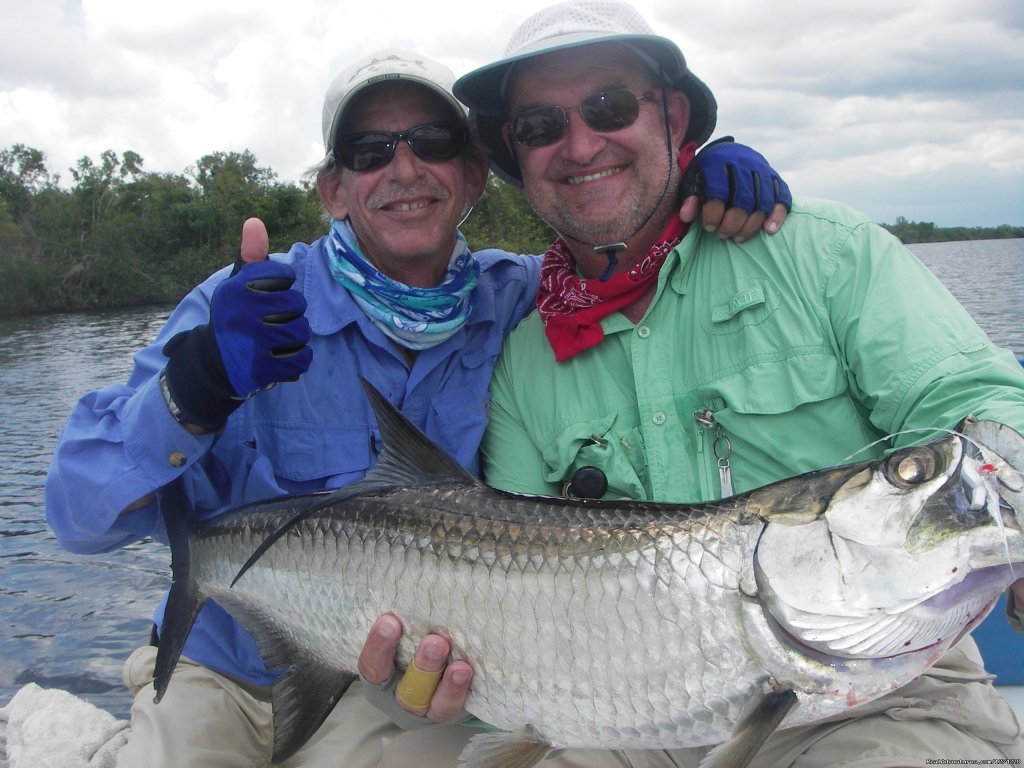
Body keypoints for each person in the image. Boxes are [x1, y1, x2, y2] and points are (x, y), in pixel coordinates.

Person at [44, 44, 791, 766]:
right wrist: (198, 383)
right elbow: (77, 518)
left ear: (471, 178)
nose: (404, 168)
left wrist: (694, 189)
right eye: (370, 151)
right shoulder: (246, 306)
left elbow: (623, 264)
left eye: (432, 143)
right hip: (221, 667)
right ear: (333, 190)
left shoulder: (527, 298)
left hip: (399, 682)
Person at [451, 1, 1024, 766]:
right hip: (616, 709)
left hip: (884, 685)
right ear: (517, 155)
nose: (580, 143)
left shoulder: (825, 255)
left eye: (610, 107)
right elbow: (507, 564)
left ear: (673, 114)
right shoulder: (525, 360)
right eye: (540, 126)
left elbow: (984, 412)